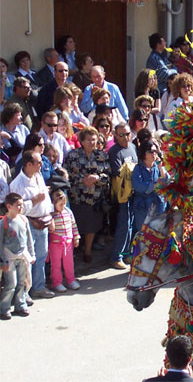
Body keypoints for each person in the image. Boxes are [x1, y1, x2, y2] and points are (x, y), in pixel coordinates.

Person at [9, 150, 54, 298]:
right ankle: (24, 293)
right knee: (26, 260)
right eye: (38, 162)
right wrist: (34, 201)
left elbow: (45, 198)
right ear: (29, 164)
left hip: (43, 222)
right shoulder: (17, 184)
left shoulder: (38, 176)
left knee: (41, 257)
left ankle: (38, 287)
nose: (42, 164)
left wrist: (51, 216)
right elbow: (16, 209)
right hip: (28, 224)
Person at [64, 127, 110, 264]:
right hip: (78, 196)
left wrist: (97, 178)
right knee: (76, 226)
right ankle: (71, 254)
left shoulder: (102, 156)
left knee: (92, 226)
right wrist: (82, 179)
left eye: (94, 140)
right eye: (88, 140)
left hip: (95, 197)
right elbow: (67, 174)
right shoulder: (73, 155)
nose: (91, 142)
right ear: (82, 141)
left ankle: (87, 251)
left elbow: (108, 175)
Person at [0, 193, 35, 320]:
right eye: (18, 205)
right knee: (11, 284)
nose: (21, 207)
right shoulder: (3, 223)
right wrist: (2, 261)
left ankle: (20, 305)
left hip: (22, 257)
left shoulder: (24, 220)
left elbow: (29, 239)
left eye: (22, 205)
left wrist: (32, 254)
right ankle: (4, 308)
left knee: (22, 282)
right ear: (9, 206)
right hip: (9, 259)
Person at [108, 123, 138, 269]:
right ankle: (116, 257)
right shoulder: (114, 151)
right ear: (116, 136)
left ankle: (126, 253)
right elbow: (118, 172)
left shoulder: (133, 147)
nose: (126, 137)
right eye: (122, 135)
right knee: (123, 225)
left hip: (134, 192)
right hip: (122, 194)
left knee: (131, 224)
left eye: (128, 134)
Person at [132, 139, 167, 232]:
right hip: (143, 207)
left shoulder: (157, 167)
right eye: (151, 151)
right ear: (144, 153)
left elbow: (166, 181)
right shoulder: (138, 169)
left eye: (155, 151)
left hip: (158, 206)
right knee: (143, 233)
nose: (154, 154)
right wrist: (154, 186)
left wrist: (161, 168)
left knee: (158, 233)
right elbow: (138, 186)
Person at [48, 189, 80, 293]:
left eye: (64, 204)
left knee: (69, 263)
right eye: (60, 204)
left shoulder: (68, 212)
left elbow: (73, 225)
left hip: (68, 242)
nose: (63, 206)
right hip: (56, 243)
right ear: (54, 203)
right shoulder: (51, 214)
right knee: (56, 264)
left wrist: (76, 237)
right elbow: (49, 229)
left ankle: (71, 280)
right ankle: (56, 282)